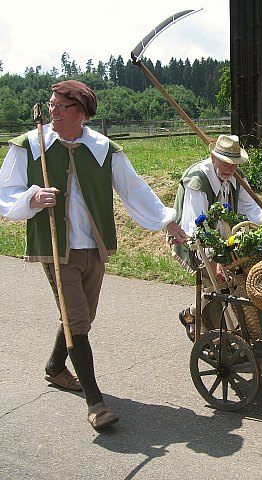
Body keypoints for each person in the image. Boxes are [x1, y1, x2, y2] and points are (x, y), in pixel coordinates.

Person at [0, 80, 189, 430]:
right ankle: (95, 403)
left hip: (95, 247)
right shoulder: (30, 145)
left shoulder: (104, 149)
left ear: (81, 114)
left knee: (80, 317)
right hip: (56, 249)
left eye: (61, 106)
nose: (52, 111)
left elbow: (135, 190)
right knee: (77, 321)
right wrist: (32, 198)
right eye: (51, 104)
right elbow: (5, 191)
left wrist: (167, 221)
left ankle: (55, 367)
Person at [171, 134, 262, 341]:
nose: (229, 169)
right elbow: (195, 226)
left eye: (234, 164)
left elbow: (249, 207)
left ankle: (191, 315)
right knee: (215, 283)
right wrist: (213, 261)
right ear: (213, 158)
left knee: (231, 282)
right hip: (190, 239)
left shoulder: (236, 176)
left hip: (224, 238)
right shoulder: (197, 180)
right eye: (225, 163)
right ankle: (210, 337)